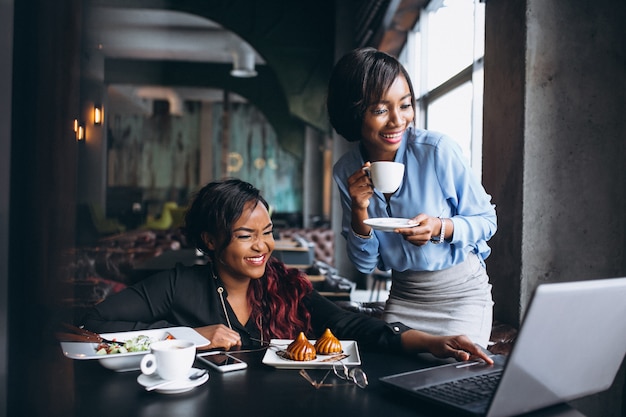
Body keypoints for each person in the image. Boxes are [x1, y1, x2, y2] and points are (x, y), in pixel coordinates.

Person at [82, 179, 491, 363]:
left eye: (268, 232)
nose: (263, 246)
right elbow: (94, 324)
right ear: (209, 240)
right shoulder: (177, 286)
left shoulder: (283, 284)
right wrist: (188, 337)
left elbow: (348, 325)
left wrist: (429, 341)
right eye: (246, 235)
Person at [329, 47, 497, 347]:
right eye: (381, 110)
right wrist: (358, 209)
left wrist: (439, 228)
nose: (398, 120)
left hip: (461, 295)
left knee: (452, 384)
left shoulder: (437, 151)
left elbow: (486, 220)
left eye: (405, 105)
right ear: (354, 112)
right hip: (404, 297)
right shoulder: (347, 171)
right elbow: (366, 265)